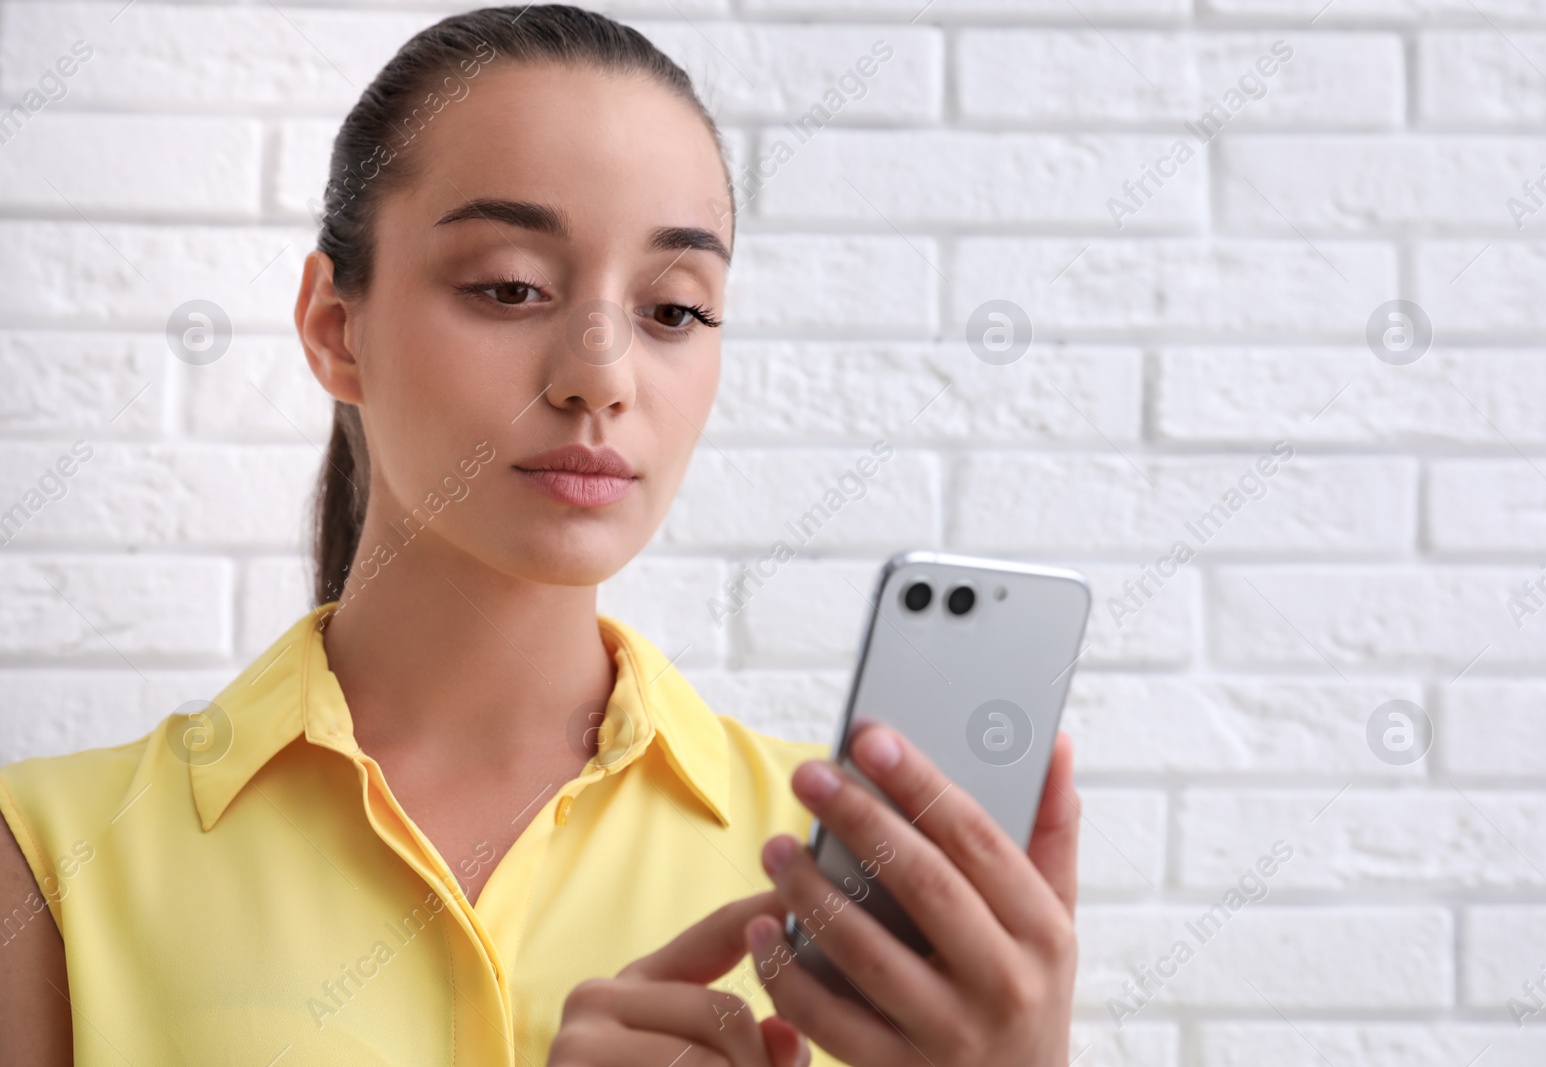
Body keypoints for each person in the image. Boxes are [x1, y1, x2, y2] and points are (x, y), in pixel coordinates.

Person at [0, 7, 1080, 1064]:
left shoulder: (856, 873)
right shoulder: (49, 854)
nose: (601, 376)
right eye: (510, 287)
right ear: (337, 328)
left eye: (672, 311)